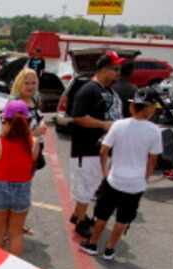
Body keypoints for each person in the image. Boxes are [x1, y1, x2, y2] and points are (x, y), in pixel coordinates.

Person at [79, 88, 164, 260]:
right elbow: (153, 160)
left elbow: (103, 151)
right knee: (123, 219)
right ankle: (110, 249)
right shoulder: (155, 131)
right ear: (150, 109)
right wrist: (145, 178)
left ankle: (93, 244)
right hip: (136, 184)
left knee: (102, 214)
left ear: (133, 107)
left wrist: (105, 172)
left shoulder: (118, 125)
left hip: (114, 179)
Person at [69, 50, 125, 238]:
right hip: (87, 148)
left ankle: (78, 214)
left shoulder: (108, 90)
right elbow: (78, 117)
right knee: (86, 186)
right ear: (103, 69)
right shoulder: (89, 90)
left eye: (118, 69)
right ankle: (80, 221)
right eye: (114, 69)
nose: (117, 73)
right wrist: (104, 124)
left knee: (91, 185)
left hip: (101, 149)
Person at [0, 100, 40, 256]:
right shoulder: (34, 143)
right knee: (16, 233)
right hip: (22, 191)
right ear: (28, 121)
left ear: (5, 121)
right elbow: (30, 169)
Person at [10, 67, 47, 236]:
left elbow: (39, 119)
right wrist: (35, 133)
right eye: (27, 82)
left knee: (24, 190)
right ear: (19, 83)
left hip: (33, 153)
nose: (30, 86)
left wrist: (41, 125)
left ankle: (18, 224)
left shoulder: (34, 100)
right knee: (16, 191)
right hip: (19, 154)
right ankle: (10, 228)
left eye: (33, 83)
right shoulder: (15, 105)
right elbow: (10, 134)